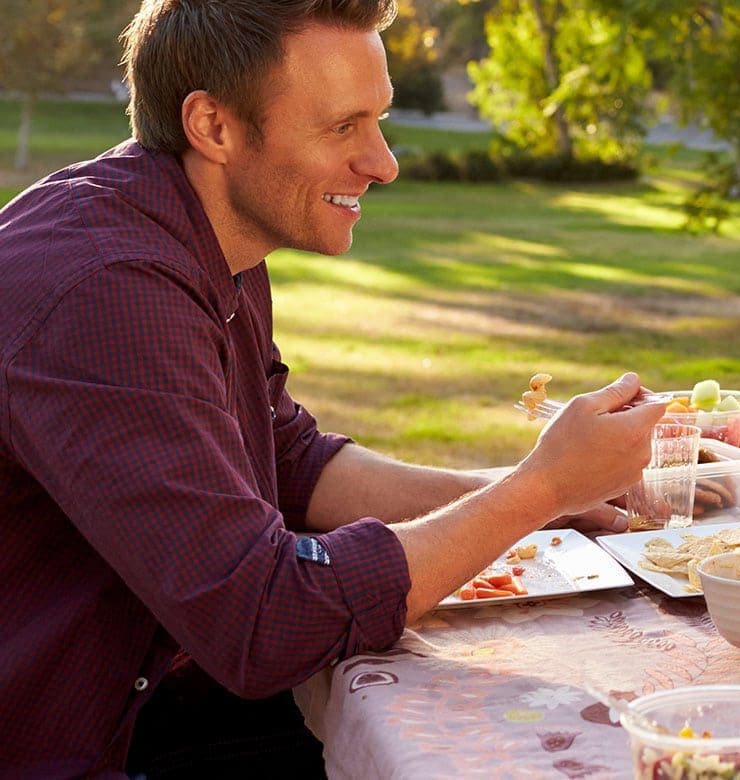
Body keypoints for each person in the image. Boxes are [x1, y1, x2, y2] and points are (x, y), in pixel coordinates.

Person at [0, 0, 665, 774]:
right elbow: (262, 620)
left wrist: (548, 495)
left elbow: (289, 461)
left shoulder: (200, 233)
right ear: (214, 126)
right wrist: (536, 492)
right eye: (343, 127)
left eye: (378, 121)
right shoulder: (108, 291)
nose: (382, 163)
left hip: (154, 696)